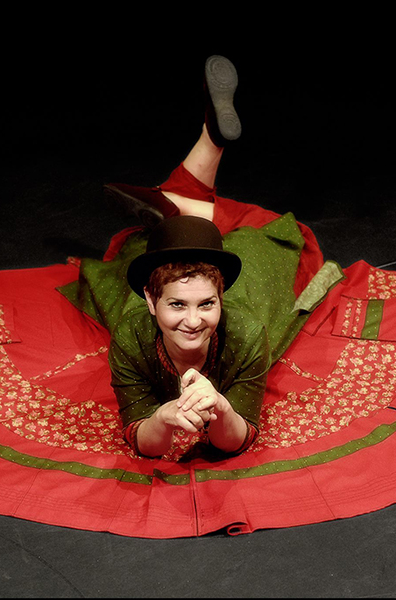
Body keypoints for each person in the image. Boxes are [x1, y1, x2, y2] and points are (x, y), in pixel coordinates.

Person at [58, 55, 329, 459]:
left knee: (260, 242)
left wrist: (222, 408)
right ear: (151, 301)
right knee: (154, 244)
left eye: (206, 304)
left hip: (245, 276)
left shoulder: (246, 334)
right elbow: (143, 441)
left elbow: (236, 441)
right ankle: (182, 202)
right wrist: (161, 418)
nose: (193, 320)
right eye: (176, 305)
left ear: (220, 298)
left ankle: (180, 202)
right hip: (163, 282)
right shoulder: (133, 335)